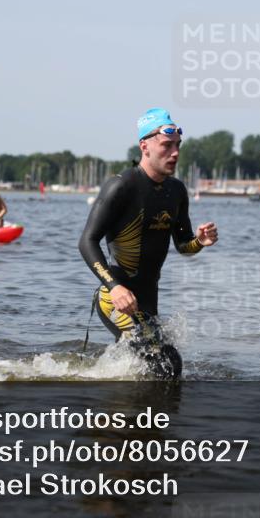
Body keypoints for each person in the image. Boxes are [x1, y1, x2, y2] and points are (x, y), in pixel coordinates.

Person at [78, 108, 218, 378]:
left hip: (147, 300)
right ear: (145, 146)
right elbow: (87, 241)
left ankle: (110, 392)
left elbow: (183, 245)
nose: (175, 153)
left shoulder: (176, 191)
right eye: (167, 145)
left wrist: (199, 241)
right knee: (167, 362)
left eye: (177, 145)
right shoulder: (121, 186)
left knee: (145, 368)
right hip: (116, 298)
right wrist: (114, 287)